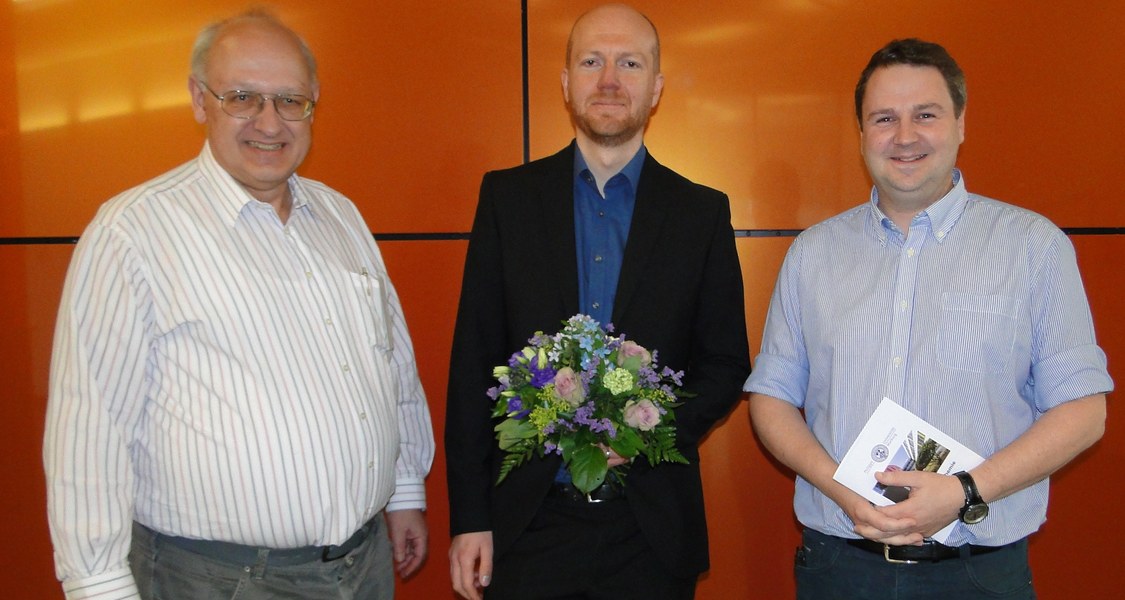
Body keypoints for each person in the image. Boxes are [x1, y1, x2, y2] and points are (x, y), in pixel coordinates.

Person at [43, 11, 434, 599]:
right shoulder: (134, 232)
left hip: (363, 564)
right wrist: (98, 586)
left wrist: (404, 491)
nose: (269, 122)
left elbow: (392, 367)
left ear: (314, 103)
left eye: (290, 100)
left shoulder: (340, 216)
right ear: (200, 100)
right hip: (217, 581)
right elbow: (89, 429)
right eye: (243, 98)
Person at [744, 38, 1113, 599]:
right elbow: (771, 399)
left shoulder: (1034, 247)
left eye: (926, 115)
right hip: (837, 567)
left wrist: (964, 490)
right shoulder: (812, 254)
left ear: (961, 123)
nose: (905, 136)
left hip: (978, 573)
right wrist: (843, 490)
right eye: (884, 118)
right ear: (862, 132)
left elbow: (1084, 411)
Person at [444, 4, 750, 599]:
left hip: (651, 533)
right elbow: (471, 364)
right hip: (528, 526)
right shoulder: (507, 200)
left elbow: (726, 363)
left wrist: (644, 425)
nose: (609, 79)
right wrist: (469, 517)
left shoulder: (701, 213)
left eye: (629, 63)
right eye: (591, 61)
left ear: (655, 87)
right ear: (565, 82)